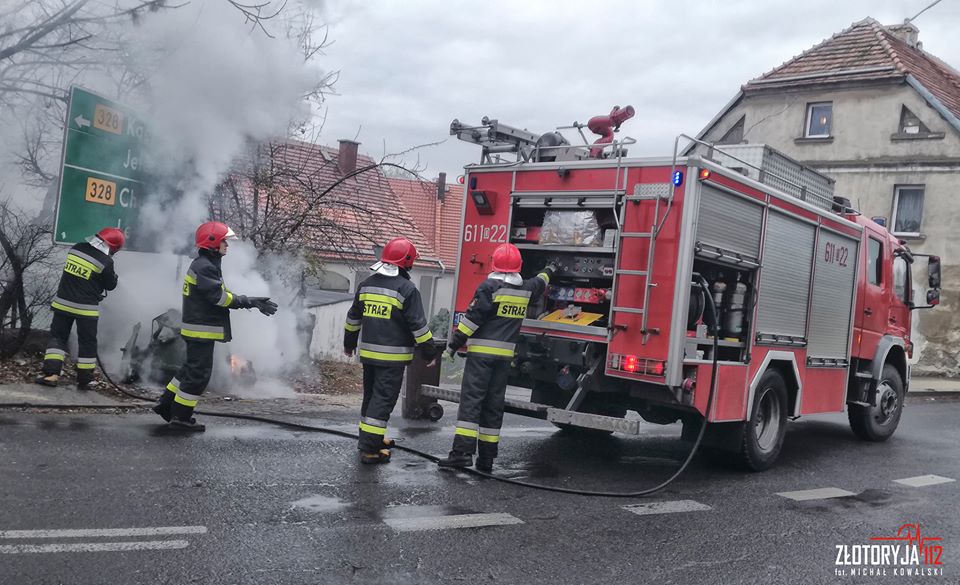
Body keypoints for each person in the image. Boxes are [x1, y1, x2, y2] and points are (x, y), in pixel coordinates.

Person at [438, 244, 555, 472]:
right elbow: (541, 281)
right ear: (519, 266)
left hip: (481, 357)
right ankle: (487, 458)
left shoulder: (489, 287)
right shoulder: (527, 289)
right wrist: (551, 268)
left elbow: (471, 321)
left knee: (472, 403)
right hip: (503, 360)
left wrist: (452, 346)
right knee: (493, 406)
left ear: (494, 264)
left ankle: (461, 453)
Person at [152, 221, 278, 432]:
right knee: (198, 376)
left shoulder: (203, 264)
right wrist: (249, 301)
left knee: (189, 369)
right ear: (212, 243)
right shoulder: (205, 267)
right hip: (201, 330)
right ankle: (181, 418)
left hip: (196, 328)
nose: (227, 246)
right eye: (224, 242)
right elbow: (219, 298)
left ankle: (166, 405)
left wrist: (249, 301)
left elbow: (217, 294)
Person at [344, 237, 438, 464]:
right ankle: (370, 450)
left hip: (369, 356)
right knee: (382, 401)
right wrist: (430, 353)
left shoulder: (366, 284)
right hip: (392, 358)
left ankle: (369, 438)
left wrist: (349, 344)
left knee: (371, 398)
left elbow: (353, 318)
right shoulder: (407, 289)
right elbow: (419, 327)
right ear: (407, 262)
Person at [36, 227, 125, 389]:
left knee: (58, 338)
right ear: (112, 247)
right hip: (86, 309)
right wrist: (113, 277)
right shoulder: (106, 261)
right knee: (87, 342)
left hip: (63, 303)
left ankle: (51, 375)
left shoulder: (76, 248)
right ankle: (84, 380)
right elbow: (110, 285)